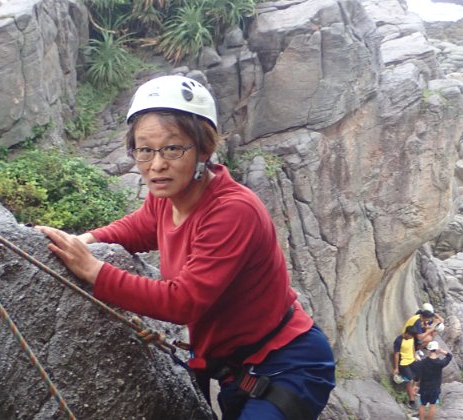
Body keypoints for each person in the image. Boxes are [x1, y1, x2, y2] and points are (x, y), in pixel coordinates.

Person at [36, 75, 335, 419]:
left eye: (172, 148)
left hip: (287, 363)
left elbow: (184, 301)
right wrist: (83, 241)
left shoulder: (233, 211)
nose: (156, 164)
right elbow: (138, 227)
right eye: (145, 150)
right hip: (237, 369)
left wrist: (93, 270)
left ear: (204, 149)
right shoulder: (168, 197)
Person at [414, 341, 452, 420]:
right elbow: (449, 356)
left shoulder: (423, 362)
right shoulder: (440, 363)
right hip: (435, 388)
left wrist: (415, 385)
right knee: (433, 405)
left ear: (428, 350)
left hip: (424, 388)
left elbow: (418, 375)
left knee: (422, 405)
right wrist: (441, 351)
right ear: (437, 349)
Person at [392, 326, 419, 409]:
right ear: (407, 333)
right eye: (411, 336)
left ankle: (413, 391)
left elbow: (413, 346)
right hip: (403, 363)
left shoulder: (411, 337)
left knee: (419, 374)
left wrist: (415, 356)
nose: (412, 337)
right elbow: (396, 355)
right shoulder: (398, 340)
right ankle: (411, 401)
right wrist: (396, 368)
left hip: (412, 360)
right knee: (409, 380)